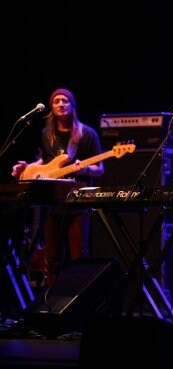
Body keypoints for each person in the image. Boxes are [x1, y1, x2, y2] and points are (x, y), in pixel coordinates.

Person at [11, 88, 104, 287]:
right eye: (56, 101)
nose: (61, 104)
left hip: (78, 202)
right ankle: (50, 305)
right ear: (51, 107)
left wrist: (86, 170)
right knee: (51, 259)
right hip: (52, 203)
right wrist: (26, 168)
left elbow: (100, 169)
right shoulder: (46, 134)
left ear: (72, 105)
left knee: (78, 256)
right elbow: (44, 162)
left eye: (65, 101)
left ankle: (80, 300)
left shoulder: (87, 134)